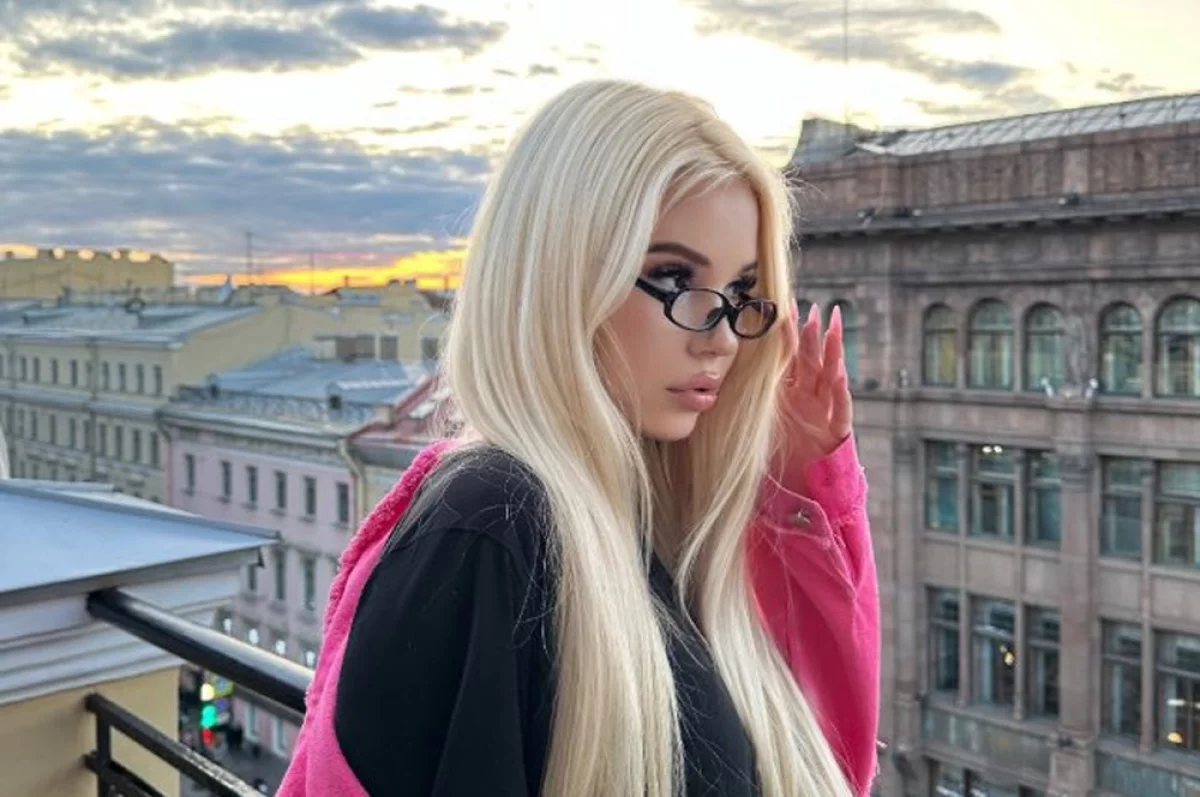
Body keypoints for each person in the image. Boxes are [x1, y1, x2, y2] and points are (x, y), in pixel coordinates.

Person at [277, 79, 879, 797]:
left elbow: (816, 755)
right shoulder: (491, 522)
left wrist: (795, 492)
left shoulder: (654, 520)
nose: (721, 337)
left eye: (743, 291)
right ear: (561, 277)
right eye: (672, 276)